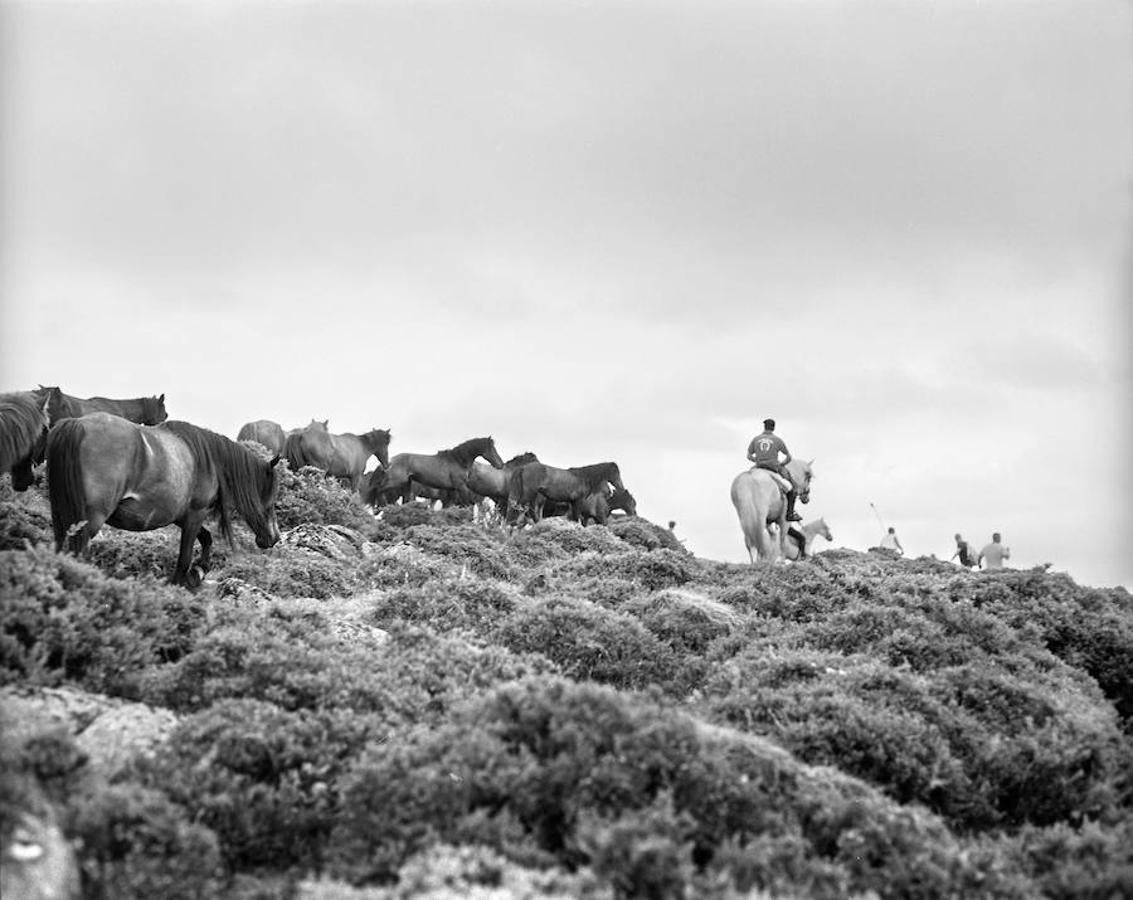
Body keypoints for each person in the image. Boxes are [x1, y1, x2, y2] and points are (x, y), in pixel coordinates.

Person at [746, 418, 801, 521]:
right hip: (772, 468)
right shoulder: (778, 440)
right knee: (791, 488)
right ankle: (790, 514)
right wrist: (781, 464)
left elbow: (748, 456)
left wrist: (757, 460)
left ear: (764, 427)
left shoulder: (756, 439)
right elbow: (789, 457)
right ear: (773, 428)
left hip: (758, 467)